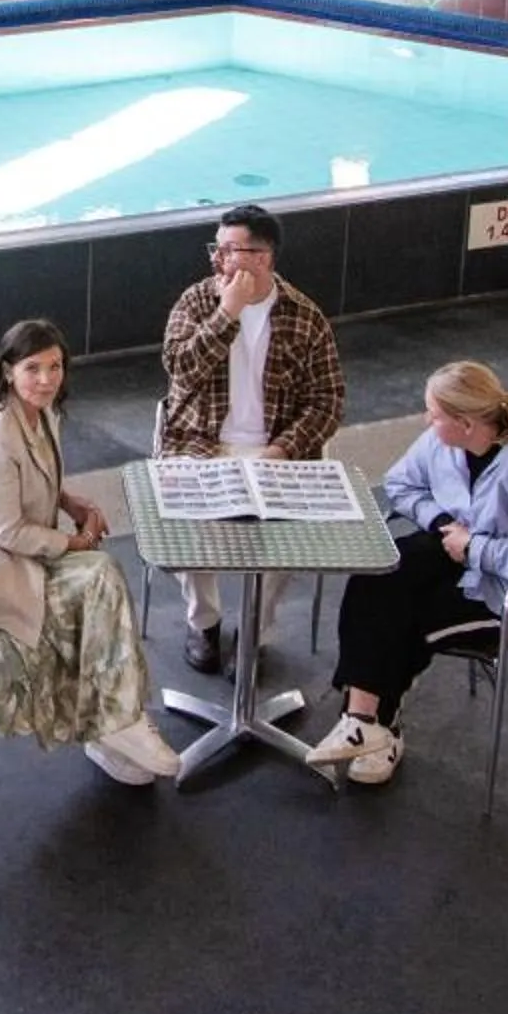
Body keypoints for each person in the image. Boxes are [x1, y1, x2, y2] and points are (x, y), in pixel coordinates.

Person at [302, 360, 508, 787]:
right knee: (377, 575)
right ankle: (362, 721)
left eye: (433, 414)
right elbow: (400, 484)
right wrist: (439, 523)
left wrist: (474, 547)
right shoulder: (442, 441)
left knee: (409, 617)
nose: (426, 421)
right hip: (458, 554)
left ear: (465, 423)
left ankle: (378, 728)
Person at [0, 320, 185, 787]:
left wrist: (73, 503)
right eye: (33, 368)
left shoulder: (43, 412)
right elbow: (8, 532)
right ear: (8, 371)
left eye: (55, 367)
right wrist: (78, 542)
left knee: (101, 579)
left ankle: (113, 724)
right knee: (100, 574)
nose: (47, 379)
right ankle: (119, 720)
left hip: (19, 548)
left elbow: (37, 482)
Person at [156, 204, 347, 675]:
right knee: (184, 518)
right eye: (215, 250)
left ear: (262, 258)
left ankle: (254, 634)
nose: (218, 261)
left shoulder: (305, 317)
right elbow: (179, 370)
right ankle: (204, 621)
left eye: (230, 251)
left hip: (275, 450)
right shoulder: (197, 302)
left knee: (286, 537)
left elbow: (328, 400)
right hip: (199, 442)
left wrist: (281, 450)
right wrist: (227, 314)